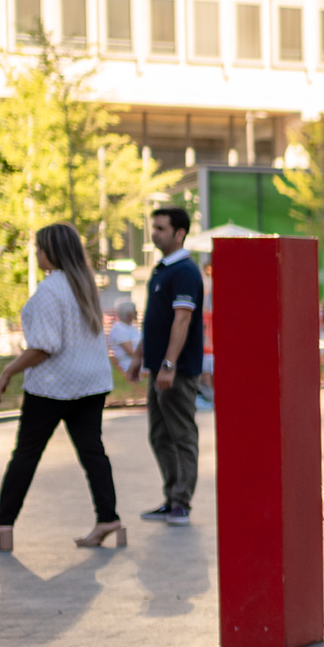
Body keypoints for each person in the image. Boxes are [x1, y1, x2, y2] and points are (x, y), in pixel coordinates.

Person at [0, 224, 122, 552]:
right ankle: (109, 518)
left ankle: (4, 526)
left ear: (53, 252)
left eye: (40, 248)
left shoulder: (50, 290)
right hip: (91, 384)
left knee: (25, 455)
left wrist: (8, 370)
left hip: (52, 387)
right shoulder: (84, 285)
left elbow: (45, 346)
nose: (37, 253)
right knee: (93, 453)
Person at [138, 207, 206, 524]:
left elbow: (182, 319)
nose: (154, 233)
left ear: (179, 233)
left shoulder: (185, 272)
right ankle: (171, 497)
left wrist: (168, 364)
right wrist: (140, 356)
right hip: (158, 368)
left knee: (181, 435)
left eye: (161, 228)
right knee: (159, 435)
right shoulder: (161, 270)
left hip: (176, 371)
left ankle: (182, 503)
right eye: (154, 227)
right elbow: (155, 321)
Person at [107, 300, 142, 380]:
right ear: (128, 313)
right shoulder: (119, 329)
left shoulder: (132, 327)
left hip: (139, 362)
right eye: (134, 311)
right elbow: (131, 352)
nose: (137, 313)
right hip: (129, 364)